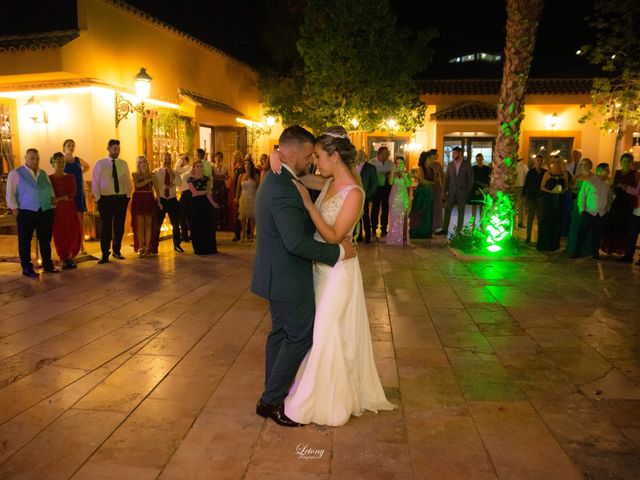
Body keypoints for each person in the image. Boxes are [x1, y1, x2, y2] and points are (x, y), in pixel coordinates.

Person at [285, 126, 396, 426]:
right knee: (323, 332)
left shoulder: (355, 194)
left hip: (338, 274)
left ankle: (326, 402)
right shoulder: (329, 181)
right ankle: (326, 393)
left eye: (319, 156)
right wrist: (278, 161)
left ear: (334, 157)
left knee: (325, 333)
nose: (315, 162)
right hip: (320, 271)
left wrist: (308, 205)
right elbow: (298, 177)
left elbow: (334, 236)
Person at [251, 125, 356, 428]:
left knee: (281, 333)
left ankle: (273, 393)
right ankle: (270, 400)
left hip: (277, 273)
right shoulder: (282, 186)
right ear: (293, 153)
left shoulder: (282, 176)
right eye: (309, 155)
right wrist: (337, 254)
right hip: (286, 276)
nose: (311, 160)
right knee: (300, 334)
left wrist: (274, 153)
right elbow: (295, 242)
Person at [5, 148, 57, 277]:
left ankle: (48, 264)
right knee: (25, 240)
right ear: (26, 158)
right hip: (26, 212)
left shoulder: (43, 173)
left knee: (45, 239)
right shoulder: (16, 173)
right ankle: (27, 268)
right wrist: (16, 210)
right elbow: (10, 194)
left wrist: (51, 207)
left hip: (45, 210)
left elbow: (50, 191)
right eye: (32, 158)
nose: (35, 161)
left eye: (37, 158)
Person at [92, 139, 132, 264]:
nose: (117, 151)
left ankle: (117, 250)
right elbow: (95, 181)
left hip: (120, 198)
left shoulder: (123, 164)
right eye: (115, 149)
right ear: (108, 149)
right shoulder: (100, 163)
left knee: (119, 226)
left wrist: (127, 196)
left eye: (119, 149)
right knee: (106, 227)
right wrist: (98, 198)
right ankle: (105, 254)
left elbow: (126, 180)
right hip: (105, 199)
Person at [570, 161, 611, 260]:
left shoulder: (607, 184)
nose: (608, 172)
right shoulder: (589, 181)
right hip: (589, 212)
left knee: (598, 235)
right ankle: (577, 252)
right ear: (600, 171)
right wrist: (582, 210)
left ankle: (595, 253)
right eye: (607, 170)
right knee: (582, 234)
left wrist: (607, 209)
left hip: (601, 214)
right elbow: (582, 196)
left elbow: (608, 197)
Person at [601, 153, 639, 255]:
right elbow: (611, 186)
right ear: (621, 162)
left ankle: (622, 249)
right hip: (618, 201)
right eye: (624, 161)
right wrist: (616, 187)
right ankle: (611, 248)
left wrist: (626, 187)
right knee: (614, 224)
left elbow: (636, 189)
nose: (626, 163)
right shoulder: (617, 173)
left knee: (625, 226)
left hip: (629, 202)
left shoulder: (635, 174)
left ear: (631, 163)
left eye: (628, 161)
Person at [49, 152, 82, 269]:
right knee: (60, 233)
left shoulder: (70, 177)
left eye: (63, 162)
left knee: (71, 232)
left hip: (69, 208)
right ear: (53, 163)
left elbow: (73, 192)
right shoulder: (49, 179)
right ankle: (63, 258)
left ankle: (70, 257)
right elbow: (49, 196)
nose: (61, 164)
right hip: (57, 211)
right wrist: (57, 200)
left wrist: (61, 198)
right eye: (58, 161)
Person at [62, 139, 90, 253]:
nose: (71, 147)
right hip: (68, 193)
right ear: (64, 147)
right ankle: (70, 244)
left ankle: (81, 244)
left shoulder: (77, 159)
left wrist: (80, 174)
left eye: (73, 145)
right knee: (69, 220)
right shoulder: (62, 160)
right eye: (69, 145)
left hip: (79, 191)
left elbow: (87, 166)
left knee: (80, 219)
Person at [440, 146, 474, 235]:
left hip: (462, 192)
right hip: (451, 192)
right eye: (452, 153)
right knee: (447, 210)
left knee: (461, 212)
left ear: (460, 153)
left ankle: (458, 231)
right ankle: (445, 229)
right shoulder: (450, 165)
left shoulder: (466, 164)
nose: (453, 155)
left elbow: (471, 179)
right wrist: (444, 192)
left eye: (455, 153)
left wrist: (467, 191)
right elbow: (446, 179)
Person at [186, 159, 218, 254]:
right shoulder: (190, 179)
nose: (199, 168)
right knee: (197, 226)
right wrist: (205, 191)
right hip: (195, 204)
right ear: (194, 168)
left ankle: (209, 248)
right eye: (197, 166)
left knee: (207, 225)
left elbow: (209, 194)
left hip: (205, 204)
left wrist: (213, 203)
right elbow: (194, 193)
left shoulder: (206, 179)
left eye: (201, 166)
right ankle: (199, 249)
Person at [153, 152, 183, 252]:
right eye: (165, 159)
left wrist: (171, 173)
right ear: (161, 159)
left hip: (172, 199)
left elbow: (179, 183)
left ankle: (177, 245)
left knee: (175, 224)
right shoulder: (156, 172)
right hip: (161, 199)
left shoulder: (175, 172)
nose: (167, 161)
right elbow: (154, 187)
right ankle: (154, 246)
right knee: (158, 224)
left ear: (171, 160)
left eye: (168, 159)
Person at [131, 155, 160, 258]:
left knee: (148, 224)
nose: (142, 164)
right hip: (138, 198)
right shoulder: (135, 174)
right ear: (138, 164)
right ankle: (140, 247)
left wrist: (159, 202)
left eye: (144, 162)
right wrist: (149, 179)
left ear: (147, 163)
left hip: (149, 198)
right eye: (140, 162)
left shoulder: (153, 174)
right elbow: (138, 185)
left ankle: (147, 248)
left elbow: (157, 189)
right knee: (140, 225)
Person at [537, 158, 568, 251]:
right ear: (552, 163)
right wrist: (551, 192)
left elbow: (566, 187)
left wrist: (562, 191)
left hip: (559, 200)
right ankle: (545, 244)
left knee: (557, 221)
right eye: (554, 162)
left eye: (558, 162)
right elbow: (542, 187)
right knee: (547, 221)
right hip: (549, 200)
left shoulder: (564, 174)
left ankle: (554, 244)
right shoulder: (547, 174)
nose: (556, 163)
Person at [566, 158, 594, 257]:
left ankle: (587, 249)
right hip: (578, 203)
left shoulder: (594, 177)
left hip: (590, 204)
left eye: (586, 164)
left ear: (590, 166)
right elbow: (572, 189)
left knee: (588, 226)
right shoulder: (577, 177)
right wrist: (576, 190)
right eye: (582, 164)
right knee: (577, 225)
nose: (584, 166)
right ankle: (574, 248)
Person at [387, 156, 412, 246]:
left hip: (403, 197)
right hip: (394, 197)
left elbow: (409, 184)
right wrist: (393, 172)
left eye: (401, 163)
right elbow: (390, 182)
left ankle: (403, 239)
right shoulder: (393, 173)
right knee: (394, 216)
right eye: (397, 163)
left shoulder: (406, 173)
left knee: (404, 217)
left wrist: (403, 174)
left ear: (404, 164)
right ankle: (394, 238)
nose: (399, 164)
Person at [408, 151, 434, 239]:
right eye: (429, 158)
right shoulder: (420, 168)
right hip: (422, 193)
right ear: (425, 159)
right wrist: (432, 183)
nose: (431, 159)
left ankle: (426, 232)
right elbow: (422, 180)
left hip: (429, 193)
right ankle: (418, 232)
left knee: (427, 213)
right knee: (420, 213)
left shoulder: (430, 169)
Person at [370, 146, 394, 238]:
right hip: (376, 188)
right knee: (375, 208)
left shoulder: (390, 163)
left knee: (385, 208)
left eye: (388, 153)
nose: (388, 154)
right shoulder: (372, 162)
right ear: (380, 153)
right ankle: (373, 228)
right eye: (386, 153)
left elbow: (393, 174)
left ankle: (384, 228)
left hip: (387, 188)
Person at [523, 155, 546, 244]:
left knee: (540, 218)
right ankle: (528, 237)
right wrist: (524, 195)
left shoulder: (545, 172)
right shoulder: (530, 172)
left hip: (540, 197)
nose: (539, 162)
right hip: (531, 197)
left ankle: (540, 237)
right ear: (535, 162)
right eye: (537, 160)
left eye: (540, 160)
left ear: (542, 162)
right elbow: (526, 184)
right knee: (530, 218)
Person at [355, 149, 377, 243]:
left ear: (365, 156)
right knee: (356, 216)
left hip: (365, 195)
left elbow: (374, 183)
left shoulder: (371, 167)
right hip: (354, 195)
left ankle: (367, 236)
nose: (359, 156)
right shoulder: (352, 166)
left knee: (365, 216)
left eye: (361, 155)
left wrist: (367, 195)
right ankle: (358, 236)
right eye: (358, 155)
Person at [236, 157, 260, 241]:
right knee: (243, 217)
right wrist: (236, 197)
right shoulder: (241, 176)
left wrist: (258, 199)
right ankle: (243, 234)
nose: (247, 165)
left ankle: (251, 235)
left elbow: (258, 188)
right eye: (245, 164)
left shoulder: (255, 176)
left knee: (252, 217)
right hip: (244, 197)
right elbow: (238, 188)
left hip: (252, 197)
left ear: (251, 165)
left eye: (249, 164)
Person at [618, 178, 640, 264]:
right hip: (637, 211)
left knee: (632, 235)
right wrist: (626, 187)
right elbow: (636, 192)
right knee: (631, 235)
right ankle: (628, 256)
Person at [469, 153, 491, 228]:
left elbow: (489, 179)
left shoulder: (487, 168)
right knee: (474, 207)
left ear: (483, 159)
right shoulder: (473, 168)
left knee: (482, 207)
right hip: (475, 189)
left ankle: (481, 223)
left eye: (480, 159)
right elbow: (472, 180)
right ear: (476, 160)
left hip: (484, 190)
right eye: (477, 159)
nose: (479, 161)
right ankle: (473, 224)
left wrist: (486, 186)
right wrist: (477, 187)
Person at [212, 151, 229, 230]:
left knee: (223, 203)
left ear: (222, 158)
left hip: (222, 187)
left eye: (220, 157)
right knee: (215, 203)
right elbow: (214, 176)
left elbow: (227, 176)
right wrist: (221, 177)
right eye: (216, 157)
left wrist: (220, 177)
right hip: (215, 186)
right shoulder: (212, 166)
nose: (218, 159)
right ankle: (216, 223)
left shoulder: (224, 166)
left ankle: (223, 223)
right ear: (214, 158)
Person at [176, 154, 191, 243]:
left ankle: (186, 235)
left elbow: (176, 169)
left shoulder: (187, 168)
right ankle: (185, 235)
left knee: (183, 215)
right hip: (184, 193)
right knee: (185, 215)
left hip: (187, 193)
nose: (179, 161)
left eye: (181, 159)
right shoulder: (185, 169)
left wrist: (180, 160)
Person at [230, 151, 245, 240]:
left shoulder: (242, 168)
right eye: (234, 156)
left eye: (236, 156)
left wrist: (237, 194)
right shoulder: (236, 166)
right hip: (234, 189)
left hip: (238, 190)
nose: (234, 158)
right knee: (236, 212)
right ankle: (238, 233)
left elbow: (239, 182)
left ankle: (238, 233)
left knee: (238, 213)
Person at [430, 149, 444, 232]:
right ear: (432, 155)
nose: (438, 155)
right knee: (430, 205)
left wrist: (442, 186)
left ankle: (437, 226)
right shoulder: (427, 164)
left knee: (437, 205)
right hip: (430, 186)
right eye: (436, 154)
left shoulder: (438, 164)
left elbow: (442, 175)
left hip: (437, 186)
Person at [514, 157, 529, 228]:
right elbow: (527, 176)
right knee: (519, 207)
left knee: (515, 206)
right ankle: (519, 223)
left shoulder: (523, 166)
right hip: (517, 187)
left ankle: (515, 222)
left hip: (519, 187)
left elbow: (528, 176)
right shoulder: (524, 166)